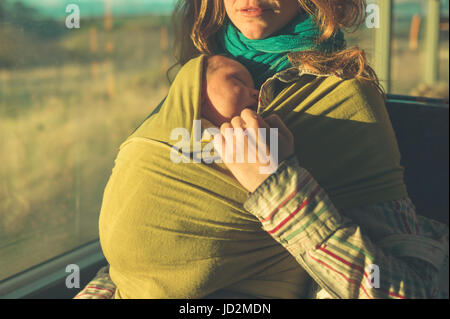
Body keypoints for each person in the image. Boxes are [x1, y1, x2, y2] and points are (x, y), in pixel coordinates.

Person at [76, 0, 448, 299]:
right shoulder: (199, 82)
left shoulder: (344, 100)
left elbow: (410, 289)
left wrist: (276, 186)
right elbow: (154, 235)